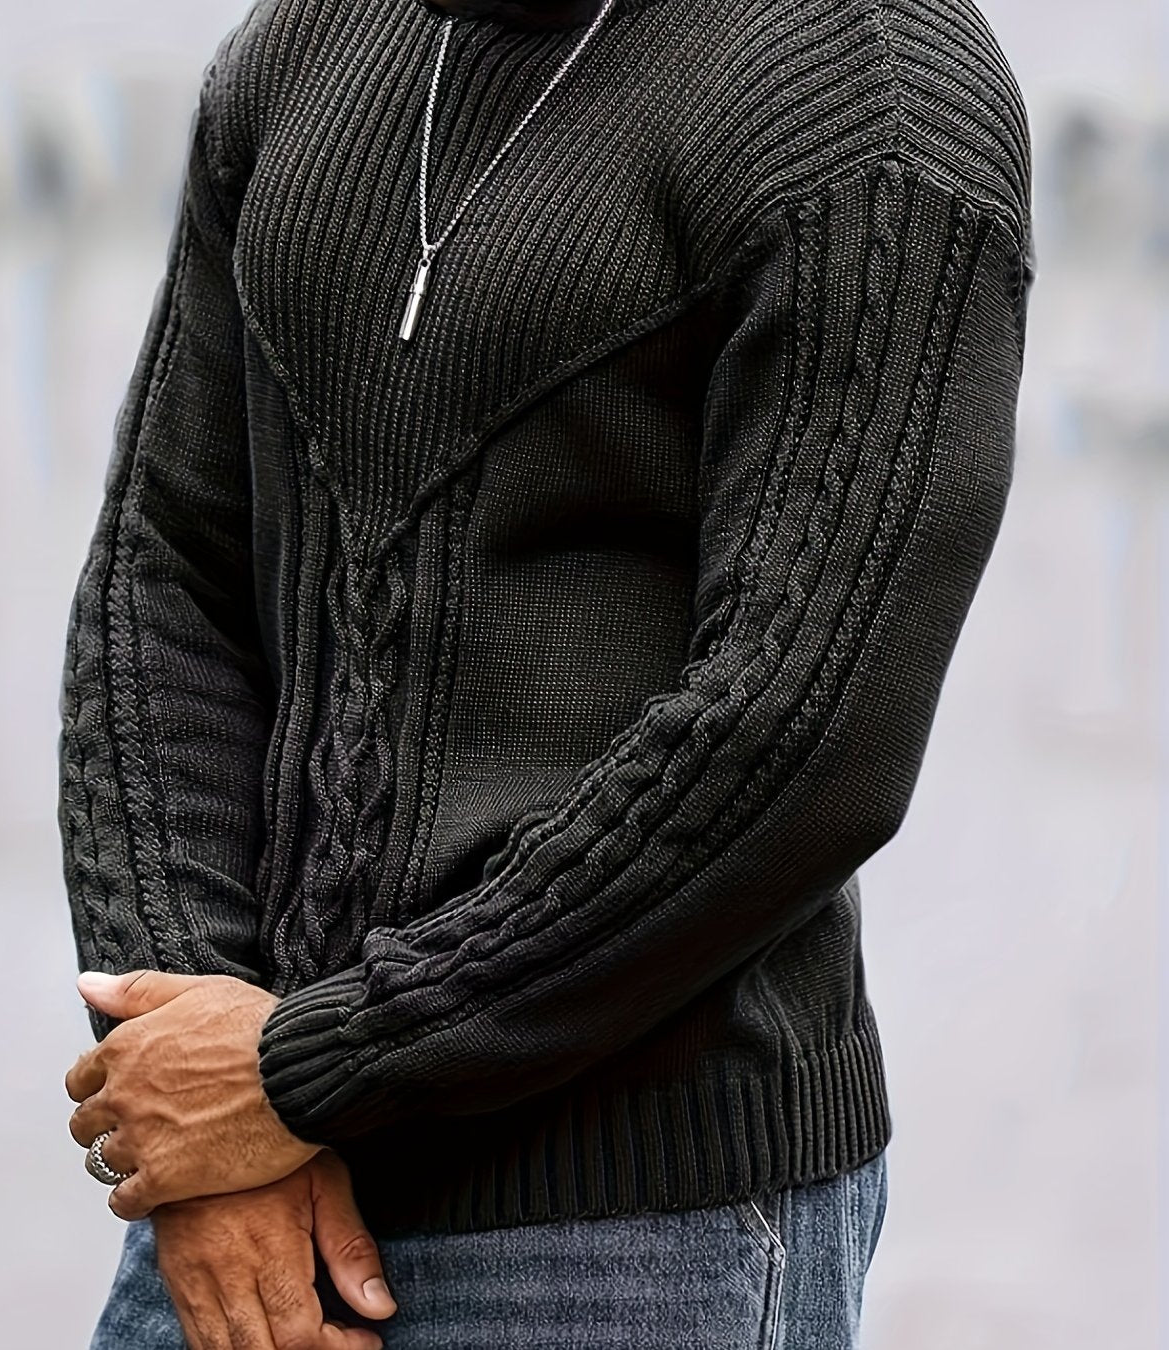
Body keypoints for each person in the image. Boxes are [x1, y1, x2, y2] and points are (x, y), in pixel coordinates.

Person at [56, 0, 1034, 1342]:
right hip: (245, 1195)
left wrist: (301, 1069)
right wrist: (195, 1089)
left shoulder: (870, 88)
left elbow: (801, 734)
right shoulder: (303, 48)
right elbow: (162, 571)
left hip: (629, 1231)